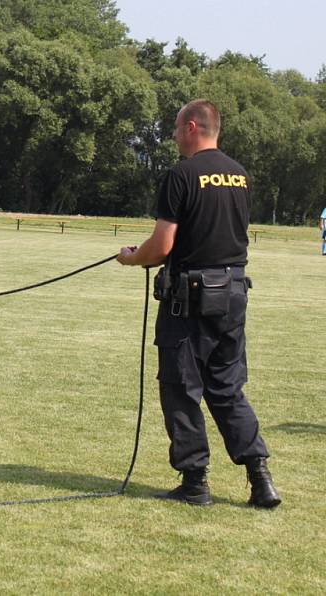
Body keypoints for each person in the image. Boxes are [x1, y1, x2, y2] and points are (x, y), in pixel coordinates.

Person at [116, 99, 281, 508]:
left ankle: (194, 483)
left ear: (192, 127)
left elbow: (162, 245)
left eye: (175, 128)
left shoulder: (181, 175)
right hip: (232, 296)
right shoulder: (241, 175)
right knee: (227, 389)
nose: (173, 135)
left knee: (181, 389)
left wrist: (133, 257)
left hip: (187, 302)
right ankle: (259, 477)